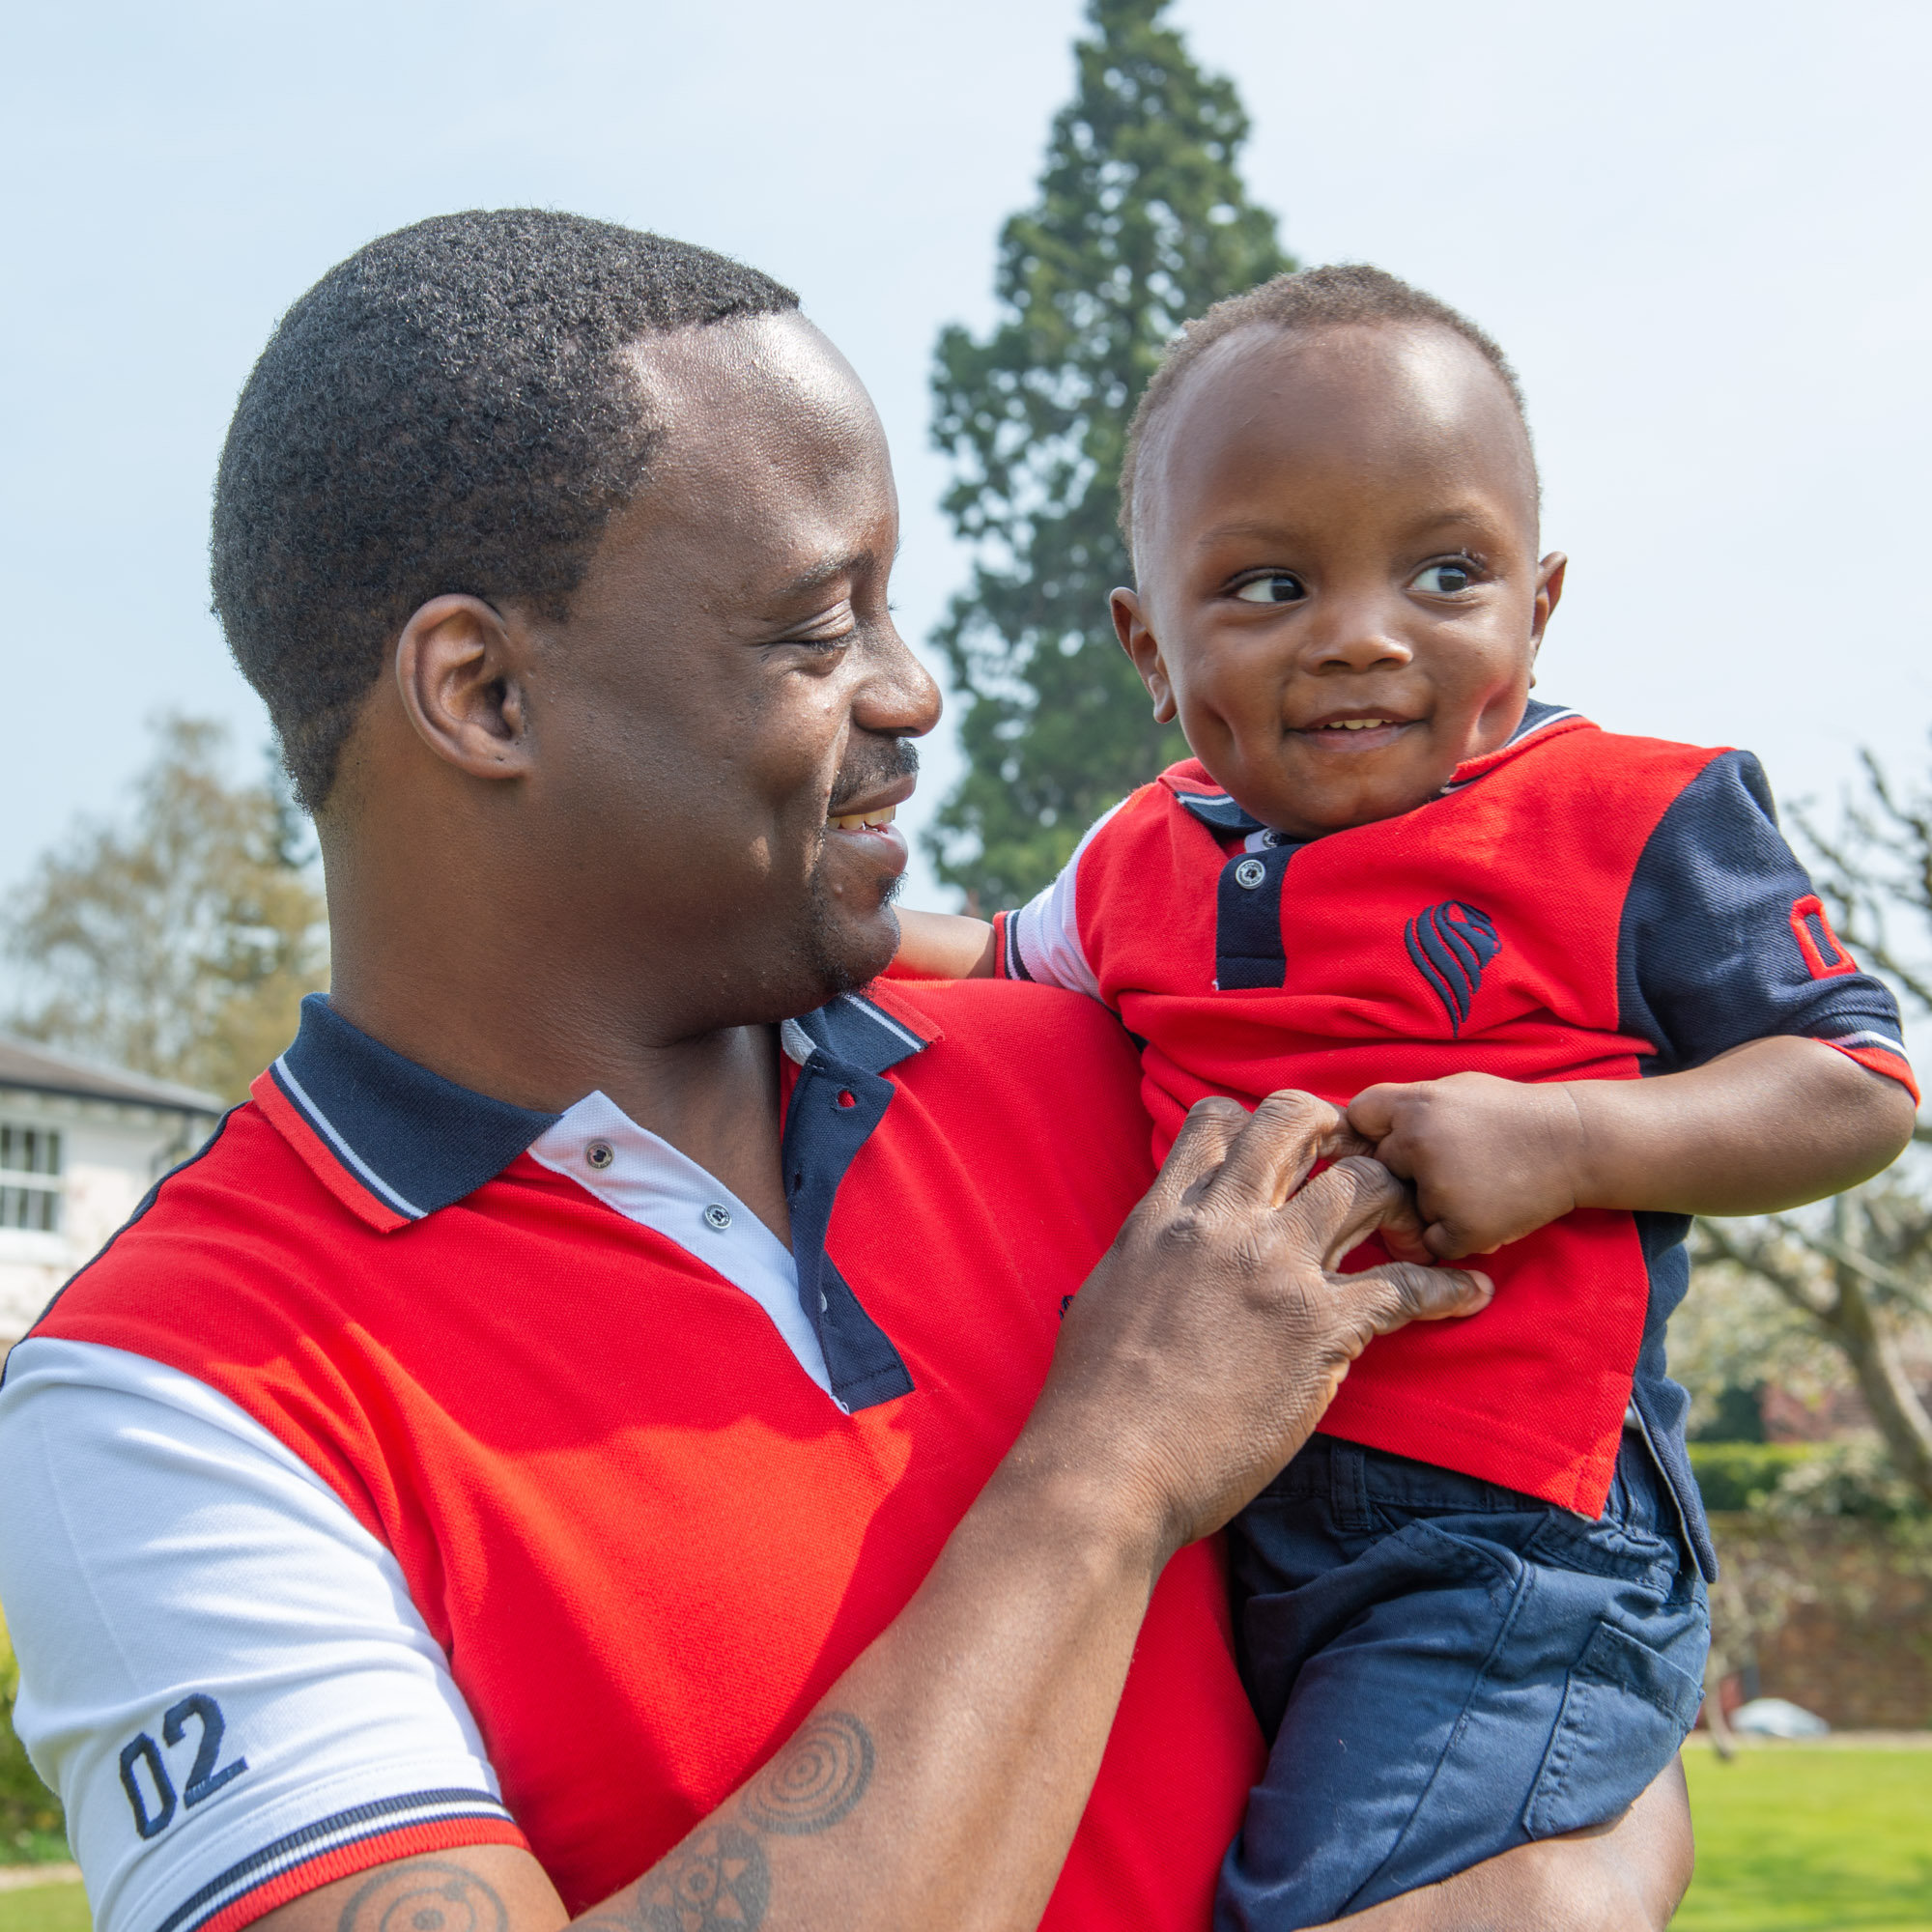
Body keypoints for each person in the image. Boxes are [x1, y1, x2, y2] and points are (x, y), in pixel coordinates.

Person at [0, 216, 1695, 1932]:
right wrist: (1110, 1476)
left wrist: (1567, 1871)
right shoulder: (167, 1402)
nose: (916, 692)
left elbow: (1539, 1585)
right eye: (820, 629)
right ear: (485, 691)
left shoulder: (1151, 1087)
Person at [892, 265, 1919, 1927]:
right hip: (1231, 1513)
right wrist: (802, 922)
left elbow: (1857, 1082)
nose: (1362, 633)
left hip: (1507, 1542)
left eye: (1447, 573)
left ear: (1539, 606)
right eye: (1270, 583)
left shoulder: (1632, 819)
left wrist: (1572, 1139)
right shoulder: (1139, 859)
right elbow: (991, 962)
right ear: (1150, 645)